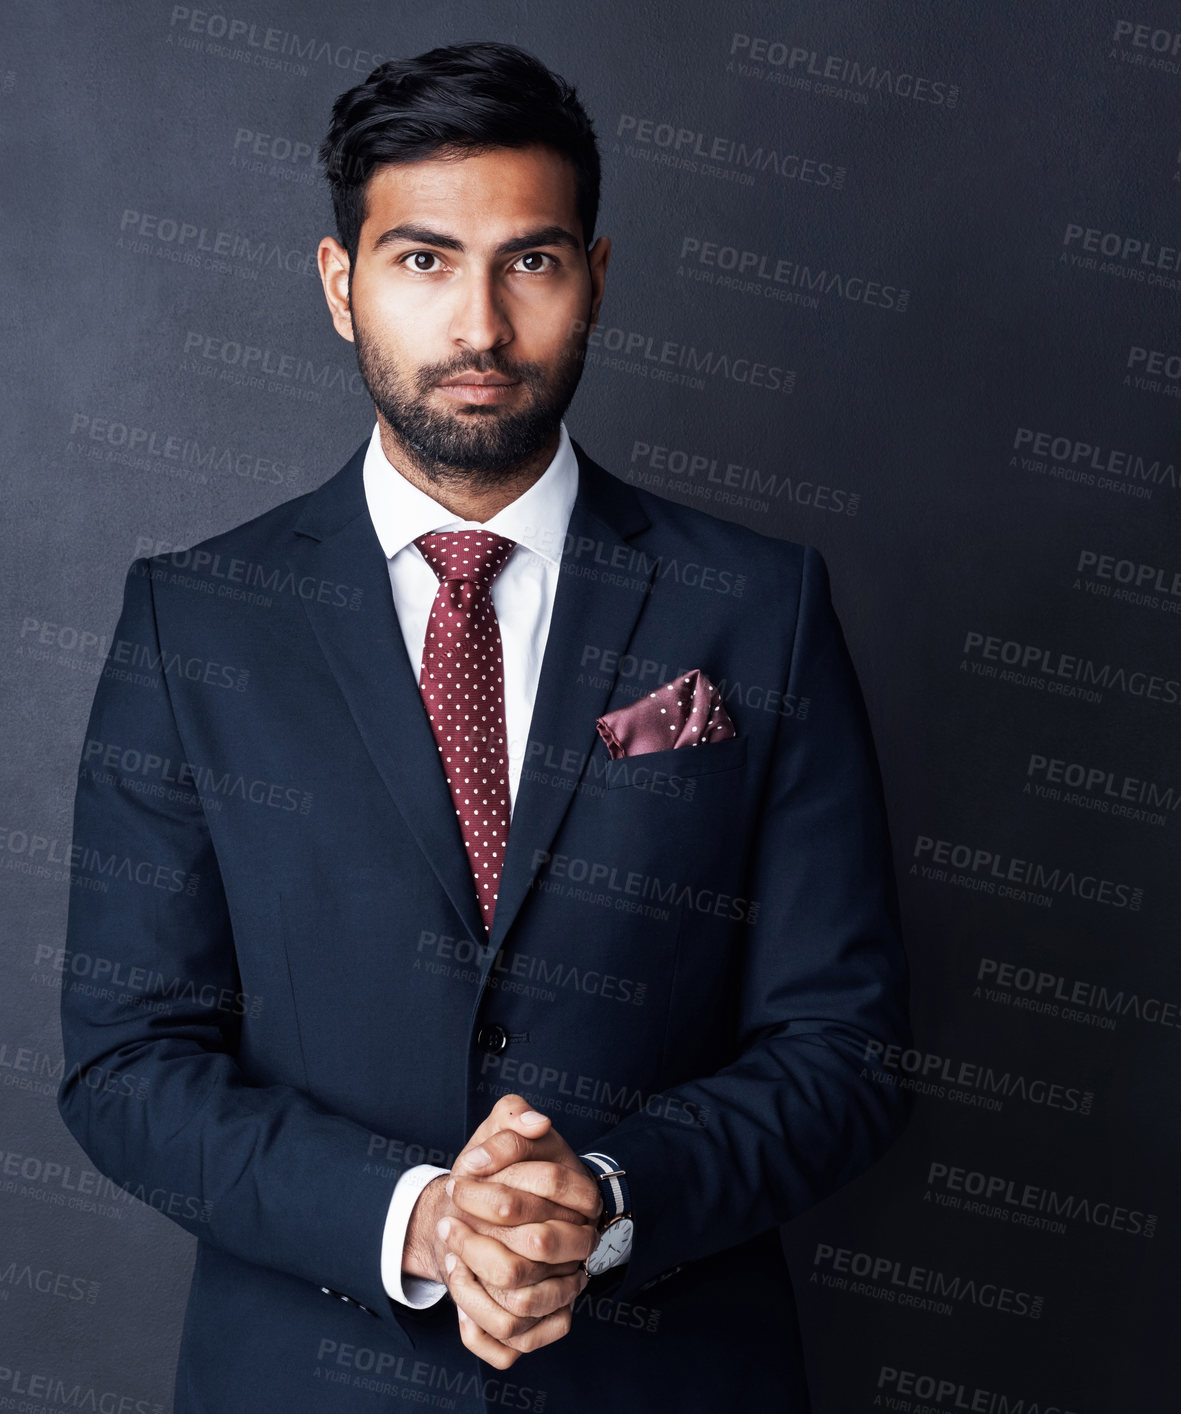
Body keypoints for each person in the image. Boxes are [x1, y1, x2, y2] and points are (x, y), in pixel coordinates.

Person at [57, 39, 913, 1413]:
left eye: (530, 260)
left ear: (595, 277)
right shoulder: (194, 623)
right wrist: (417, 1219)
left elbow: (846, 1047)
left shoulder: (760, 609)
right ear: (340, 286)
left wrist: (610, 1201)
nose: (479, 326)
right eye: (421, 260)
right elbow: (125, 1061)